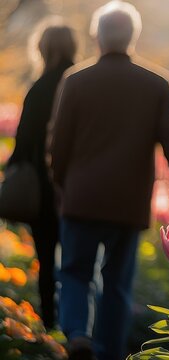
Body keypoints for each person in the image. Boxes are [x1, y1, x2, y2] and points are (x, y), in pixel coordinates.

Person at [49, 2, 169, 359]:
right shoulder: (156, 84)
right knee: (118, 285)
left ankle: (78, 333)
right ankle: (109, 352)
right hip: (128, 202)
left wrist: (61, 184)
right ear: (133, 38)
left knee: (76, 272)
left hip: (81, 196)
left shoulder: (77, 80)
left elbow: (58, 144)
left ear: (97, 37)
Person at [7, 18, 77, 330]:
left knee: (46, 260)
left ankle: (51, 326)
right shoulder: (81, 82)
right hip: (78, 187)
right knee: (80, 262)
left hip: (42, 190)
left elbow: (22, 143)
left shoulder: (39, 88)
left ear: (42, 48)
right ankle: (80, 329)